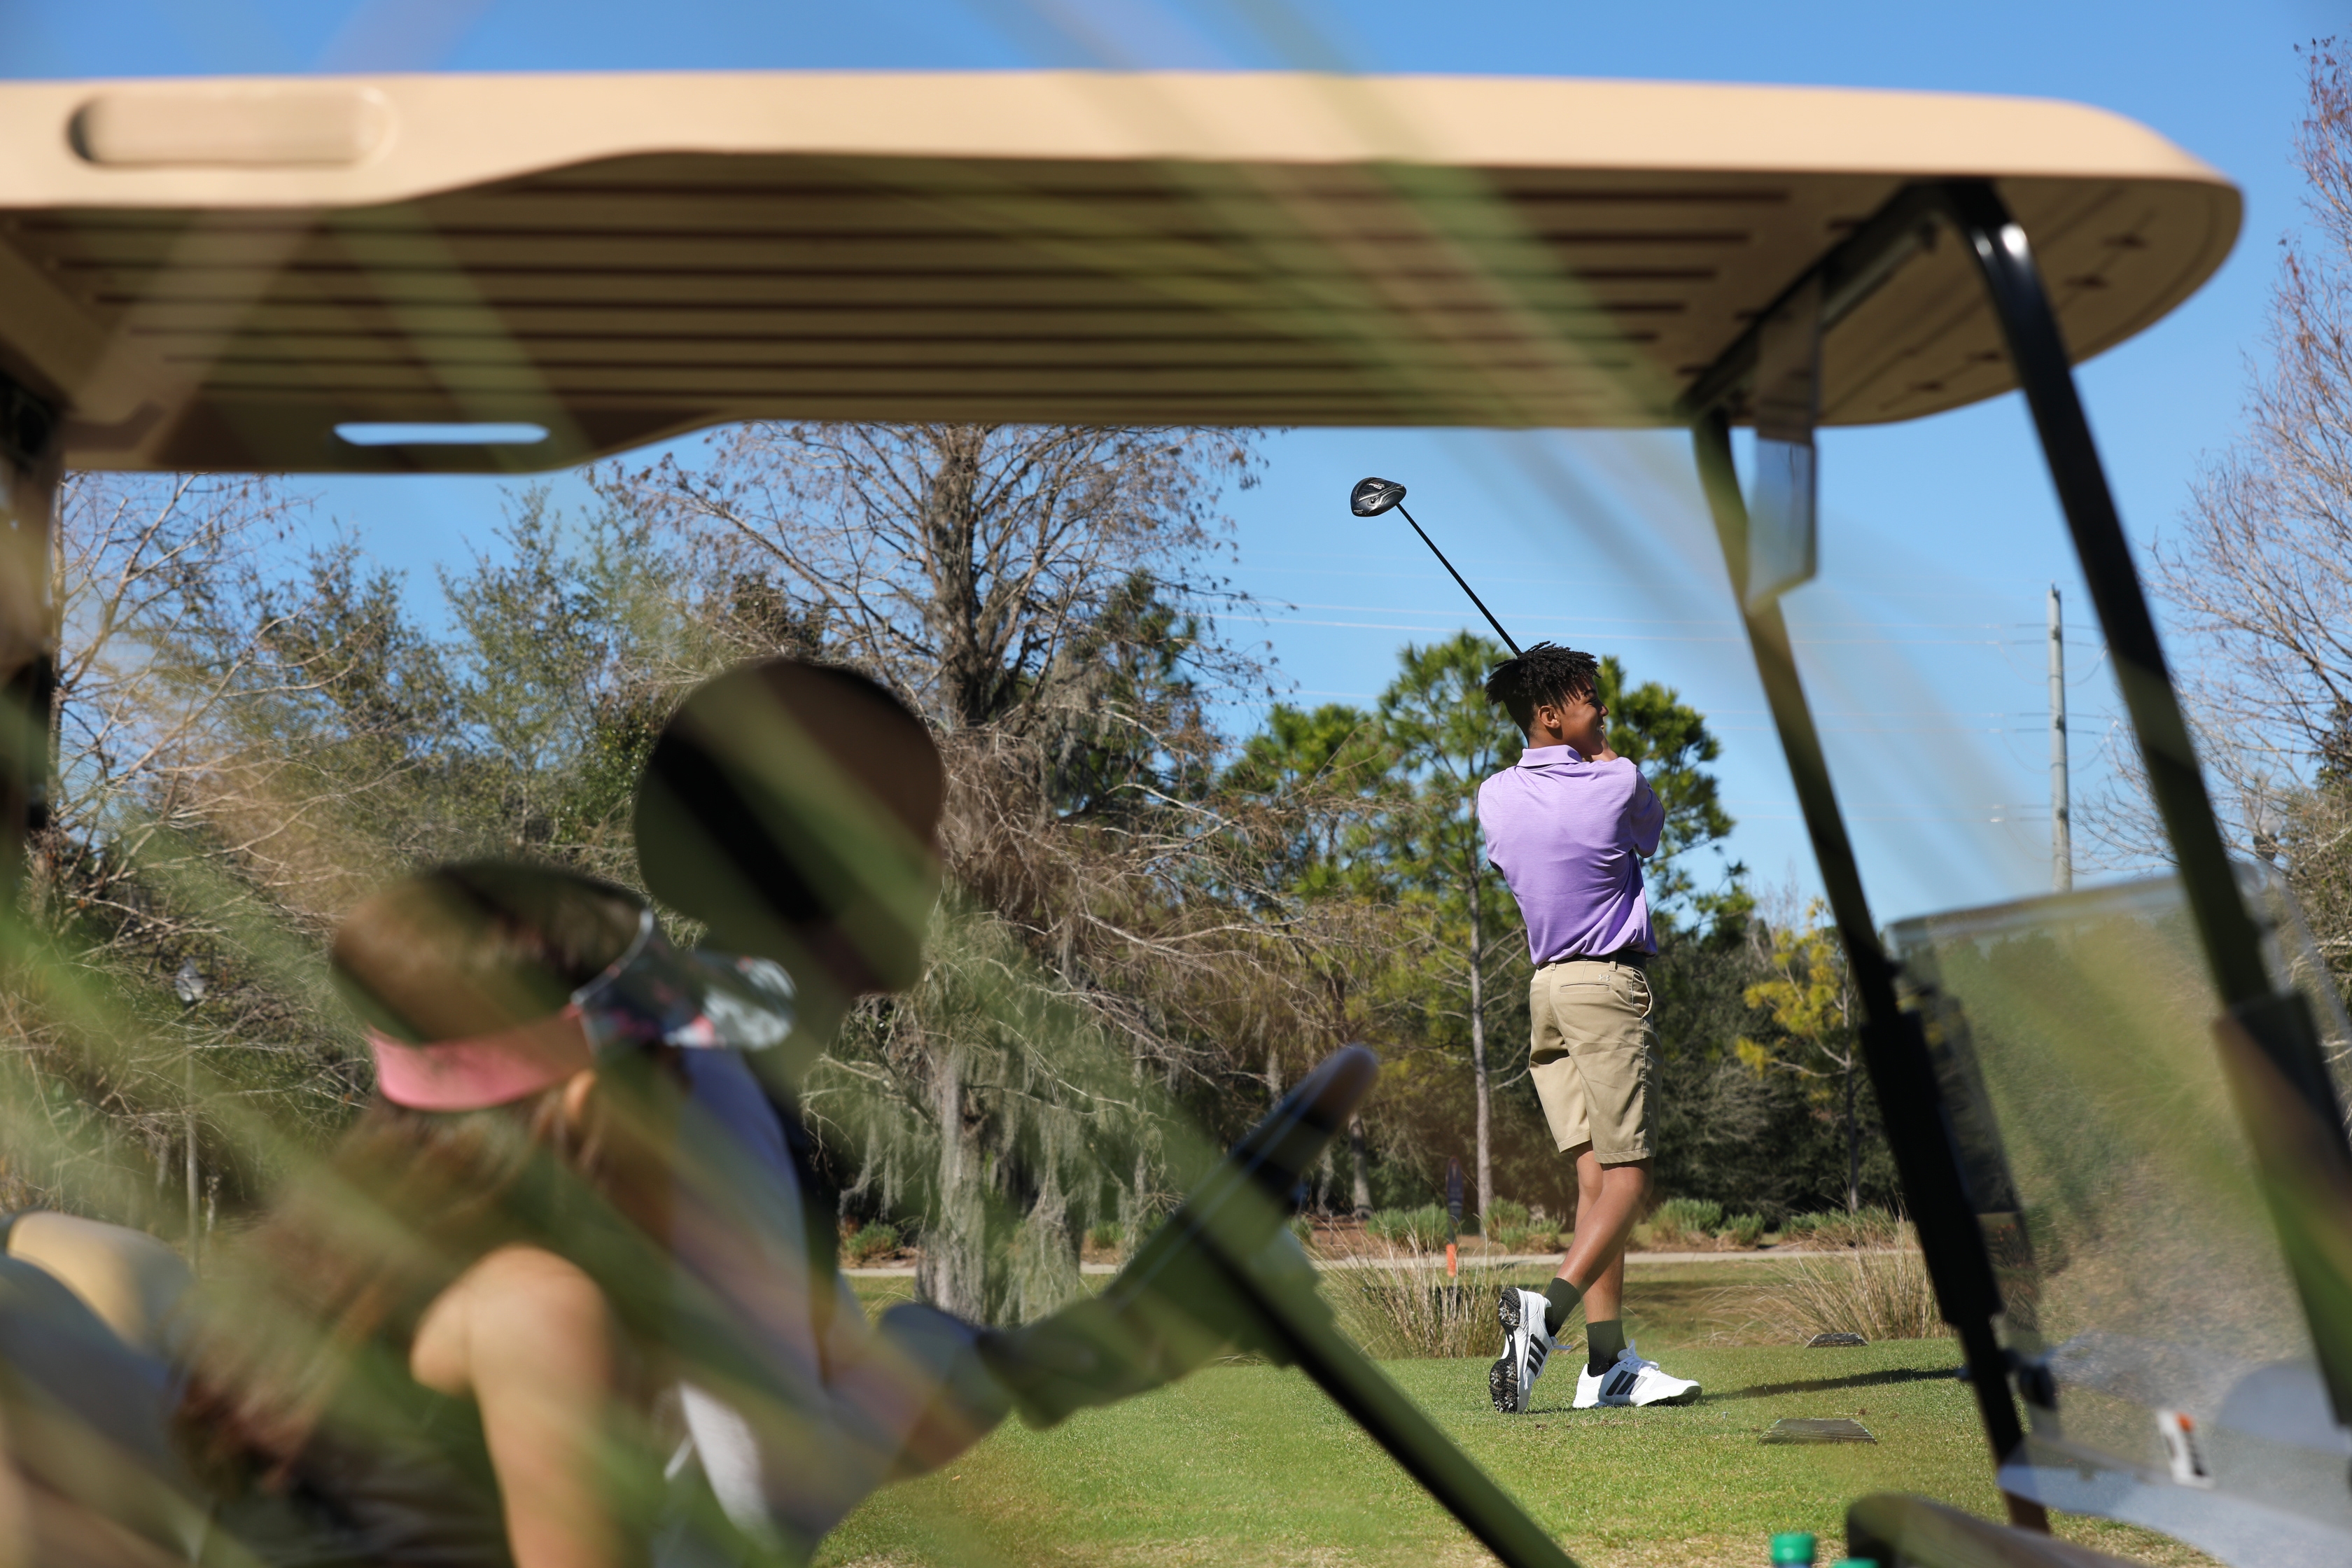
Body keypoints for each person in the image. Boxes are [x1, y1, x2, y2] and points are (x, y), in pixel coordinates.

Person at [1475, 643, 1700, 1414]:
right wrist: (1607, 756)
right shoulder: (1617, 780)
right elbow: (1652, 829)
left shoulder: (1494, 796)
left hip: (1546, 990)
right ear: (1550, 715)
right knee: (1631, 1175)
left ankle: (1608, 1368)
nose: (1603, 708)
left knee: (1595, 1178)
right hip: (1607, 986)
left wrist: (1582, 745)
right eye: (1589, 698)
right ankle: (1548, 1312)